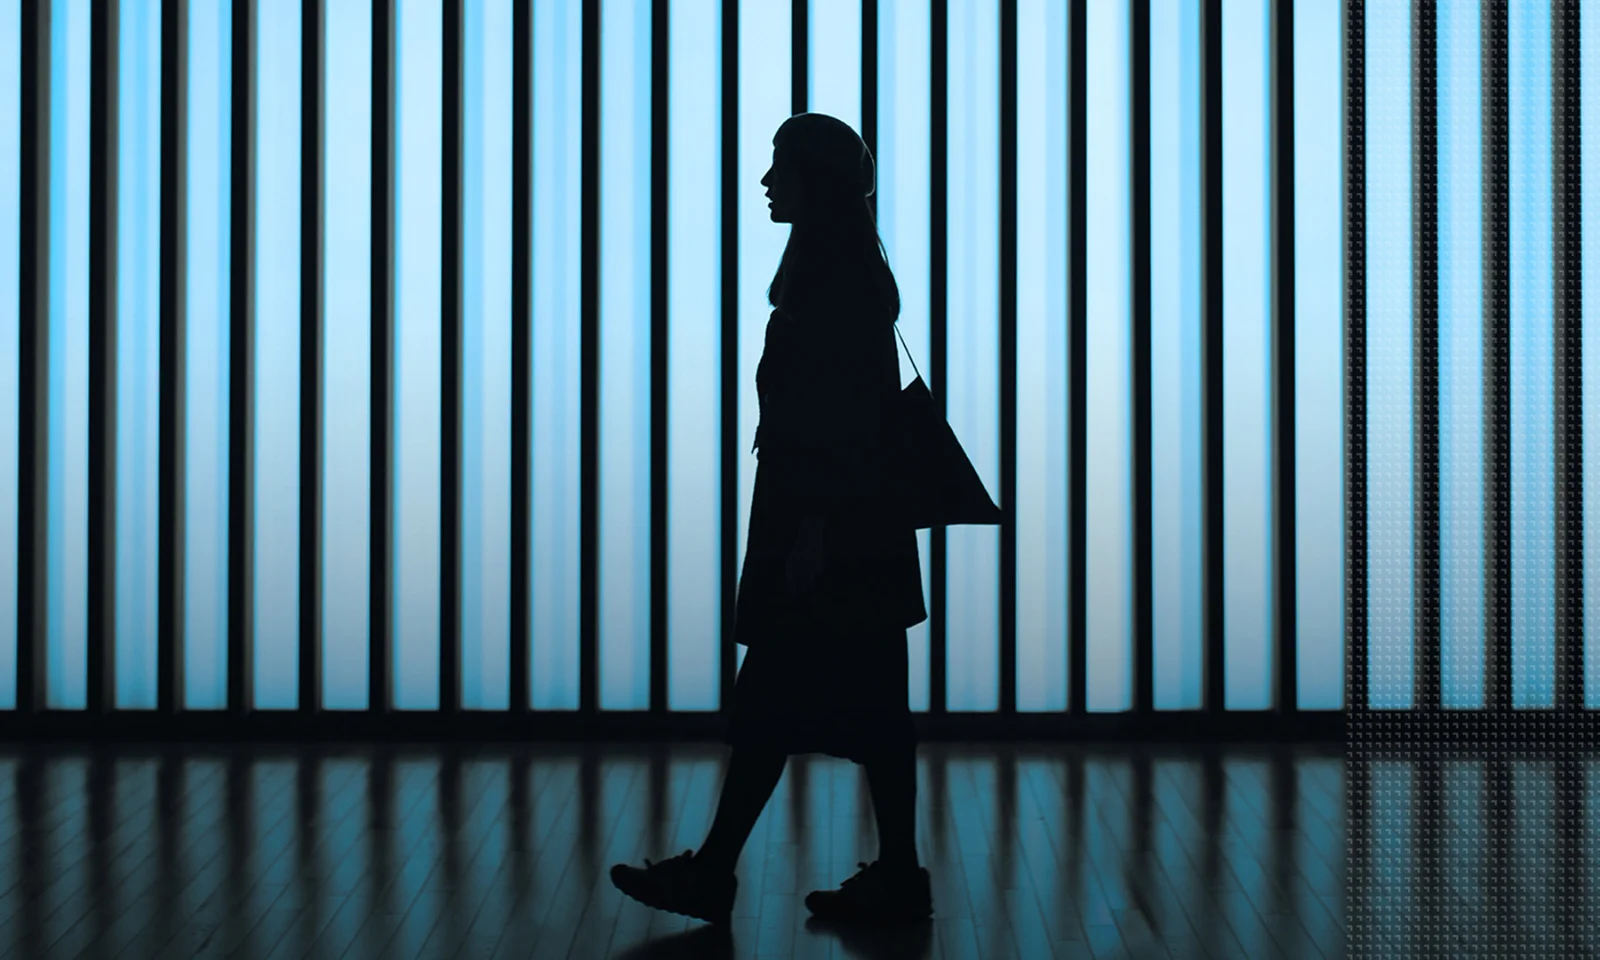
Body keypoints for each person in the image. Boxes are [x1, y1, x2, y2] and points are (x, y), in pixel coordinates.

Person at [608, 113, 932, 927]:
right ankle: (889, 876)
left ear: (812, 183)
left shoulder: (829, 284)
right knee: (860, 708)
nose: (764, 182)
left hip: (822, 525)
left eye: (778, 167)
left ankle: (718, 873)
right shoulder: (849, 273)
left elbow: (833, 420)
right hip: (848, 524)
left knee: (779, 703)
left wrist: (811, 532)